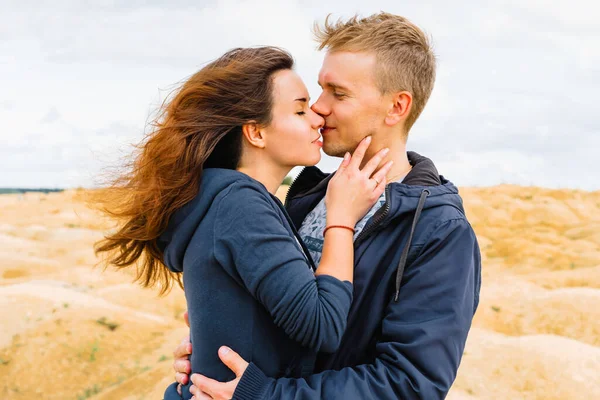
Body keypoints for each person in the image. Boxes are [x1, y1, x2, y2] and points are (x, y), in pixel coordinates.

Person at [172, 12, 482, 400]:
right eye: (320, 90)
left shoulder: (440, 232)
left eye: (338, 93)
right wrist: (212, 349)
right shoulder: (306, 196)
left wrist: (263, 395)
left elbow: (408, 385)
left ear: (397, 107)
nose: (318, 108)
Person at [93, 46, 393, 400]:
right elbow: (323, 326)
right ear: (256, 133)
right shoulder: (240, 206)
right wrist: (341, 218)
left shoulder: (222, 200)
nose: (316, 118)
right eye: (299, 110)